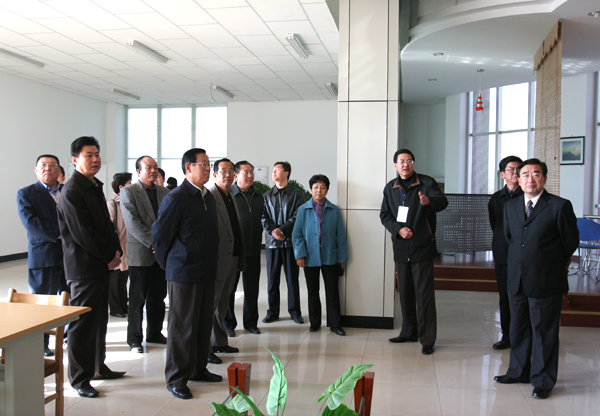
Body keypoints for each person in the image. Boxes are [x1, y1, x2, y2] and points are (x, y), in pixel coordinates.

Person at [494, 158, 578, 399]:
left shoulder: (559, 206)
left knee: (544, 332)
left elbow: (570, 241)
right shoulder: (510, 206)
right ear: (518, 180)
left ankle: (543, 380)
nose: (530, 179)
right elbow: (510, 238)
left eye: (536, 174)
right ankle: (518, 371)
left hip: (546, 279)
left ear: (544, 178)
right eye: (525, 175)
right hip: (517, 278)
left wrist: (549, 262)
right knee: (518, 328)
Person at [56, 136, 125, 398]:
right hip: (84, 268)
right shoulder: (72, 190)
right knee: (83, 325)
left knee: (99, 320)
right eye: (88, 155)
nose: (95, 159)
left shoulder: (93, 185)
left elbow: (105, 225)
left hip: (99, 265)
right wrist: (109, 255)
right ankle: (79, 379)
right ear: (75, 160)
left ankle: (97, 367)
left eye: (97, 154)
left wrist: (116, 250)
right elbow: (83, 233)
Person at [152, 148, 223, 401]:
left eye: (208, 164)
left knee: (202, 324)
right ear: (188, 168)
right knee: (182, 327)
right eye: (202, 164)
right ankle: (176, 379)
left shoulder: (208, 196)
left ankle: (197, 369)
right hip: (183, 272)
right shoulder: (176, 197)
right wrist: (171, 265)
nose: (207, 168)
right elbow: (160, 236)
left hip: (206, 270)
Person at [380, 149, 448, 355]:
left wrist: (429, 201)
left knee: (424, 295)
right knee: (405, 293)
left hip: (422, 246)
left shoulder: (426, 183)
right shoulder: (390, 188)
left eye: (409, 160)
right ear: (395, 165)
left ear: (413, 163)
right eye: (401, 161)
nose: (405, 164)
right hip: (401, 247)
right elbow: (385, 215)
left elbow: (442, 202)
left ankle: (427, 339)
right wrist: (398, 230)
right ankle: (409, 331)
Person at [17, 154, 68, 356]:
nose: (48, 168)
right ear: (36, 170)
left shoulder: (68, 191)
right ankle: (41, 344)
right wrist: (63, 234)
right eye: (43, 165)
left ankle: (69, 337)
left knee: (70, 301)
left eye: (52, 165)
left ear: (59, 170)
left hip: (70, 256)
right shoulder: (27, 193)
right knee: (43, 304)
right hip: (44, 257)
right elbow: (31, 223)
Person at [120, 156, 169, 353]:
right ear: (139, 171)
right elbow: (132, 223)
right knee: (137, 299)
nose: (153, 171)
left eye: (155, 167)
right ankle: (134, 339)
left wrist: (162, 244)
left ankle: (154, 333)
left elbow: (168, 220)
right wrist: (153, 243)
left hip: (161, 255)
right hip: (140, 254)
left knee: (158, 297)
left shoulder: (164, 192)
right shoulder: (129, 191)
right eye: (149, 167)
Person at [292, 174, 348, 336]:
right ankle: (315, 323)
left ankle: (335, 324)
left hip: (330, 256)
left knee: (332, 291)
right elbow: (297, 235)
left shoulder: (334, 210)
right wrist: (300, 255)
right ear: (311, 190)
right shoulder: (302, 210)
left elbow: (340, 235)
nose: (319, 190)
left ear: (327, 190)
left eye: (323, 187)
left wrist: (342, 257)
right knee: (312, 291)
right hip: (310, 257)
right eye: (316, 187)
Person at [207, 158, 245, 364]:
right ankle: (206, 348)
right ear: (214, 174)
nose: (228, 175)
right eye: (224, 171)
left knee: (223, 304)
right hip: (218, 259)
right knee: (211, 305)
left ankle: (219, 342)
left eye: (231, 171)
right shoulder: (210, 196)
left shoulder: (230, 195)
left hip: (232, 257)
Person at [261, 161, 306, 324]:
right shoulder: (266, 196)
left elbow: (298, 215)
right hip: (272, 244)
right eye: (273, 170)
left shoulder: (297, 194)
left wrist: (283, 230)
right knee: (272, 280)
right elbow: (263, 216)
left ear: (286, 173)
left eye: (277, 170)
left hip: (290, 244)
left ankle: (295, 312)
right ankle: (273, 312)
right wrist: (274, 230)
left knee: (292, 280)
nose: (273, 172)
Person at [224, 161, 264, 335]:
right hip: (234, 251)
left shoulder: (258, 195)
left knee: (252, 289)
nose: (250, 176)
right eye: (246, 172)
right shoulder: (229, 194)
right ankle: (228, 324)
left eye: (252, 172)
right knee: (230, 290)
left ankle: (251, 323)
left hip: (253, 249)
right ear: (236, 175)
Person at [487, 155, 523, 350]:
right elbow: (496, 225)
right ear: (502, 174)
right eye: (511, 169)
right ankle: (507, 335)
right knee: (505, 296)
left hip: (524, 254)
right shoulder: (496, 198)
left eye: (519, 169)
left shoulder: (528, 195)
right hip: (503, 253)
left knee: (523, 296)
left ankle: (524, 336)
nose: (515, 173)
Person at [107, 172, 132, 319]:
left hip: (127, 246)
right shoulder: (112, 204)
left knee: (123, 280)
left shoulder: (128, 203)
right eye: (129, 184)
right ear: (121, 187)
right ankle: (115, 308)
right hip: (116, 247)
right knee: (113, 281)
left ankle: (123, 305)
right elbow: (109, 227)